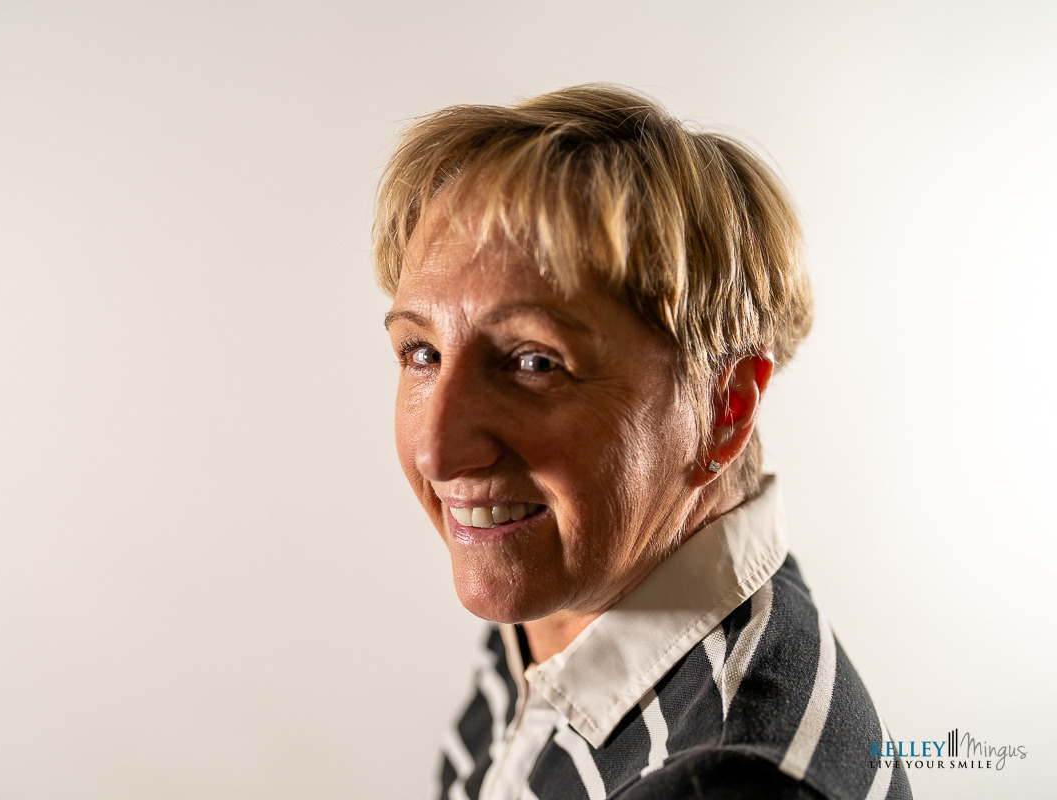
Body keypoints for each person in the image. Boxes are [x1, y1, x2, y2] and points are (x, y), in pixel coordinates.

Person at [374, 85, 911, 800]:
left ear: (726, 406)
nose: (439, 454)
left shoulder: (734, 781)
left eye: (535, 361)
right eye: (421, 353)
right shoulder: (563, 588)